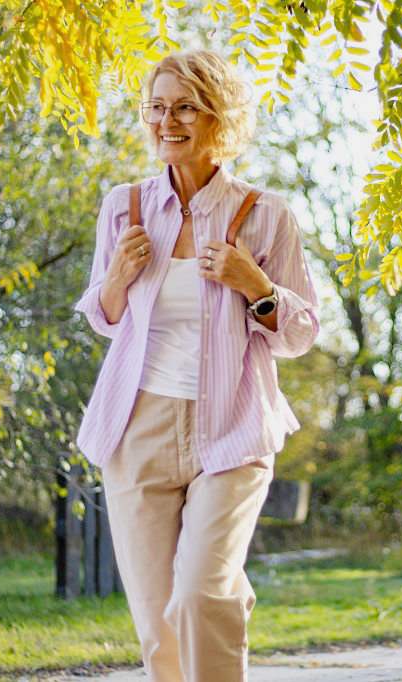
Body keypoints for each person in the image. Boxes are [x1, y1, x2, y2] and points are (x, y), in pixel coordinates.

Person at [73, 49, 320, 681]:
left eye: (184, 106)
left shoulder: (265, 215)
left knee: (202, 595)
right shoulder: (123, 208)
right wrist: (118, 279)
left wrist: (255, 283)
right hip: (140, 429)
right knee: (159, 628)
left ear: (219, 117)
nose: (167, 121)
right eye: (157, 107)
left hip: (233, 430)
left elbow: (301, 333)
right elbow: (102, 317)